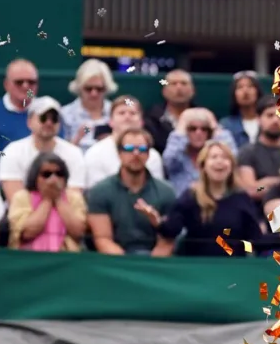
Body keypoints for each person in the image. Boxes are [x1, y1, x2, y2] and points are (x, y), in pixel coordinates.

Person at [160, 141, 269, 256]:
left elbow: (256, 239)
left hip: (233, 268)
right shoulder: (191, 197)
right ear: (203, 166)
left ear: (231, 166)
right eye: (214, 157)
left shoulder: (242, 199)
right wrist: (158, 223)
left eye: (225, 157)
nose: (219, 161)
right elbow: (171, 230)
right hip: (196, 267)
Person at [85, 128, 177, 256]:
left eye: (142, 149)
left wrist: (150, 266)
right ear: (119, 153)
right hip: (115, 262)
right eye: (129, 148)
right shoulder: (100, 191)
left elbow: (167, 241)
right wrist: (130, 266)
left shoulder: (167, 192)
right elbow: (103, 239)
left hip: (156, 263)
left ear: (149, 154)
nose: (136, 153)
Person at [0, 96, 87, 201]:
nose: (49, 123)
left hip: (64, 214)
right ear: (29, 122)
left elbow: (74, 199)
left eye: (54, 119)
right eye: (43, 118)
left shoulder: (74, 153)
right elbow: (15, 200)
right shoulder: (12, 151)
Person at [7, 152, 88, 252]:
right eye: (47, 174)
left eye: (59, 174)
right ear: (35, 176)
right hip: (29, 256)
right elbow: (28, 232)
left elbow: (78, 232)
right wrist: (47, 200)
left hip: (67, 258)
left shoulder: (74, 198)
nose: (53, 179)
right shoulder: (22, 197)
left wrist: (58, 199)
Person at [80, 97, 165, 190]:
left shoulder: (152, 155)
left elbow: (156, 190)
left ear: (141, 122)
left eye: (132, 113)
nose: (127, 117)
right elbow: (95, 192)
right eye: (121, 113)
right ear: (111, 122)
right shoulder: (95, 153)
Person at [162, 107, 236, 195]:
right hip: (184, 205)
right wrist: (181, 125)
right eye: (192, 129)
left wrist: (214, 125)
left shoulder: (216, 156)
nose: (198, 133)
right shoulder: (178, 158)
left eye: (204, 129)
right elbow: (169, 159)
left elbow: (232, 157)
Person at [0, 58, 40, 152]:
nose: (25, 86)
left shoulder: (47, 110)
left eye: (31, 82)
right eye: (19, 82)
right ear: (6, 84)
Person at [234, 95, 280, 197]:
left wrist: (266, 182)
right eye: (269, 115)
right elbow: (251, 191)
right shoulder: (247, 152)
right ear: (258, 119)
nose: (275, 120)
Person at [60, 58, 117, 151]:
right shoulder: (65, 114)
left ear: (106, 88)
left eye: (99, 89)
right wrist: (77, 138)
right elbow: (59, 152)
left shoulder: (117, 112)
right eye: (88, 88)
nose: (94, 93)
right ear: (79, 88)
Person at [144, 69, 198, 154]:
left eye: (184, 83)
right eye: (173, 84)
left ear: (193, 90)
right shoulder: (151, 120)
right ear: (164, 91)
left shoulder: (202, 117)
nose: (179, 88)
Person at [222, 71, 264, 150]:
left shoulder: (268, 121)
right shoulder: (226, 125)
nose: (245, 91)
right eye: (240, 87)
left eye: (250, 86)